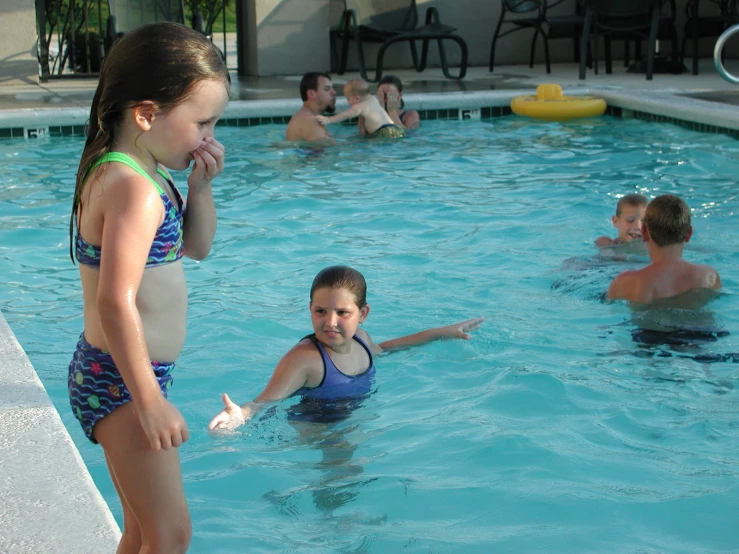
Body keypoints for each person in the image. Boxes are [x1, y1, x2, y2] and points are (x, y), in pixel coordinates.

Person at [67, 22, 229, 553]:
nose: (211, 135)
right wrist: (150, 402)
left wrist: (199, 189)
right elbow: (116, 301)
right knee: (170, 533)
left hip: (116, 373)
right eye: (202, 121)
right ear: (145, 114)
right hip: (124, 381)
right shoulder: (135, 189)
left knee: (142, 532)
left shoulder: (139, 171)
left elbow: (196, 248)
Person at [209, 265, 483, 429]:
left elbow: (389, 349)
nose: (330, 322)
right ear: (309, 309)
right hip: (314, 425)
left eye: (343, 312)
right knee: (343, 475)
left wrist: (442, 333)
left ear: (362, 313)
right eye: (320, 311)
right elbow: (264, 401)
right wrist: (240, 416)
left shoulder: (362, 341)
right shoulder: (305, 360)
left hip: (349, 417)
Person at [606, 194, 721, 304]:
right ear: (689, 234)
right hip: (701, 325)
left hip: (647, 324)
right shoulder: (709, 276)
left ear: (644, 232)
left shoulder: (626, 283)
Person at [316, 78, 405, 139]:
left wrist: (328, 119)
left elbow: (345, 115)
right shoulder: (372, 99)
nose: (348, 102)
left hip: (383, 133)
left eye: (348, 98)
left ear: (357, 98)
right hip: (396, 129)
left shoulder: (360, 107)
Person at [285, 72, 337, 143]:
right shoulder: (313, 122)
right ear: (311, 94)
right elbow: (321, 153)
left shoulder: (302, 117)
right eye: (327, 89)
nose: (334, 92)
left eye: (332, 88)